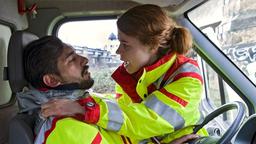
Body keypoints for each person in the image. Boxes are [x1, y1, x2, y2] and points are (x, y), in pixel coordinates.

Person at [18, 36, 200, 144]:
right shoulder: (65, 128)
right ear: (51, 80)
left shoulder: (81, 104)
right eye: (71, 59)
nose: (85, 59)